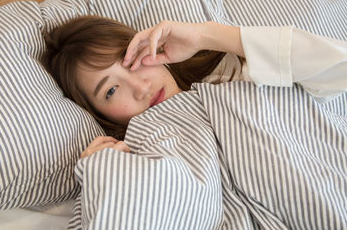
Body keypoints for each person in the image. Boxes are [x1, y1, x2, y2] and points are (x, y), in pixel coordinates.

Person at [42, 15, 347, 158]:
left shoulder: (234, 74)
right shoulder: (139, 157)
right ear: (98, 113)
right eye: (111, 90)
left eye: (131, 59)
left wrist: (207, 35)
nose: (140, 86)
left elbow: (340, 68)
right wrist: (101, 174)